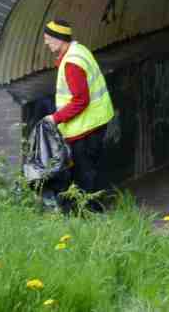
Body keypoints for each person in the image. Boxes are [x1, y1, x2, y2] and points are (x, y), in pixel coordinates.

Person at [41, 19, 115, 207]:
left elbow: (81, 100)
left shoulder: (72, 63)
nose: (46, 43)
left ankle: (91, 214)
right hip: (95, 121)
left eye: (48, 38)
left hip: (86, 127)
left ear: (59, 39)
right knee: (88, 171)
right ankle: (90, 211)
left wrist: (55, 118)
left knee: (85, 174)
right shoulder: (80, 51)